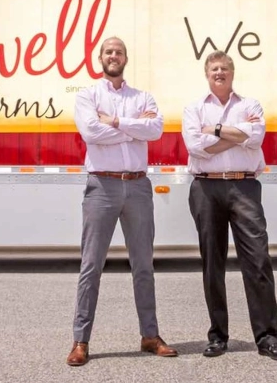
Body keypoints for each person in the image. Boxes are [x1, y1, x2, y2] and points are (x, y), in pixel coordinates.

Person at [66, 37, 178, 366]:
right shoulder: (88, 95)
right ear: (100, 58)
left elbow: (155, 130)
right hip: (102, 185)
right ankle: (80, 340)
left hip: (138, 186)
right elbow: (90, 132)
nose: (114, 56)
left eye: (119, 52)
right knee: (91, 266)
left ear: (126, 58)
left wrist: (115, 121)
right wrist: (134, 128)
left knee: (144, 266)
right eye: (108, 52)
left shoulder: (142, 96)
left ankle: (150, 335)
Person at [181, 50, 277, 362]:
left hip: (244, 186)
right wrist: (237, 135)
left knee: (258, 260)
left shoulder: (249, 105)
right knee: (212, 264)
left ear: (232, 73)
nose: (220, 73)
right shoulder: (193, 108)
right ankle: (218, 337)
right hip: (205, 187)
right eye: (214, 69)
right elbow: (194, 147)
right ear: (207, 74)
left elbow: (256, 137)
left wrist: (214, 130)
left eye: (225, 69)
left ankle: (268, 338)